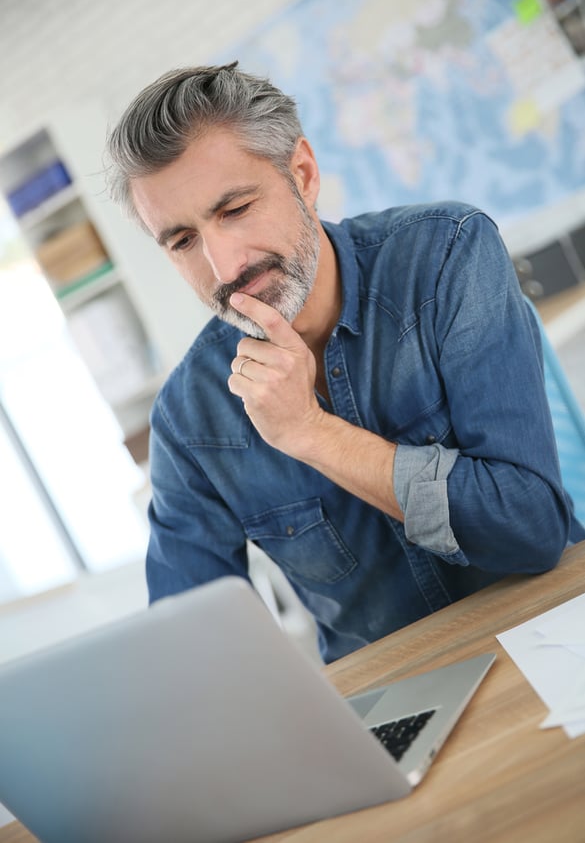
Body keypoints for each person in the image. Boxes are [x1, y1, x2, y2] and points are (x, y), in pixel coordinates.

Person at [105, 62, 584, 663]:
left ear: (301, 174)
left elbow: (530, 532)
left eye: (235, 209)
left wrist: (309, 432)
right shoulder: (188, 419)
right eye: (182, 241)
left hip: (553, 635)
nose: (224, 267)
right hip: (392, 700)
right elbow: (195, 657)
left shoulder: (446, 255)